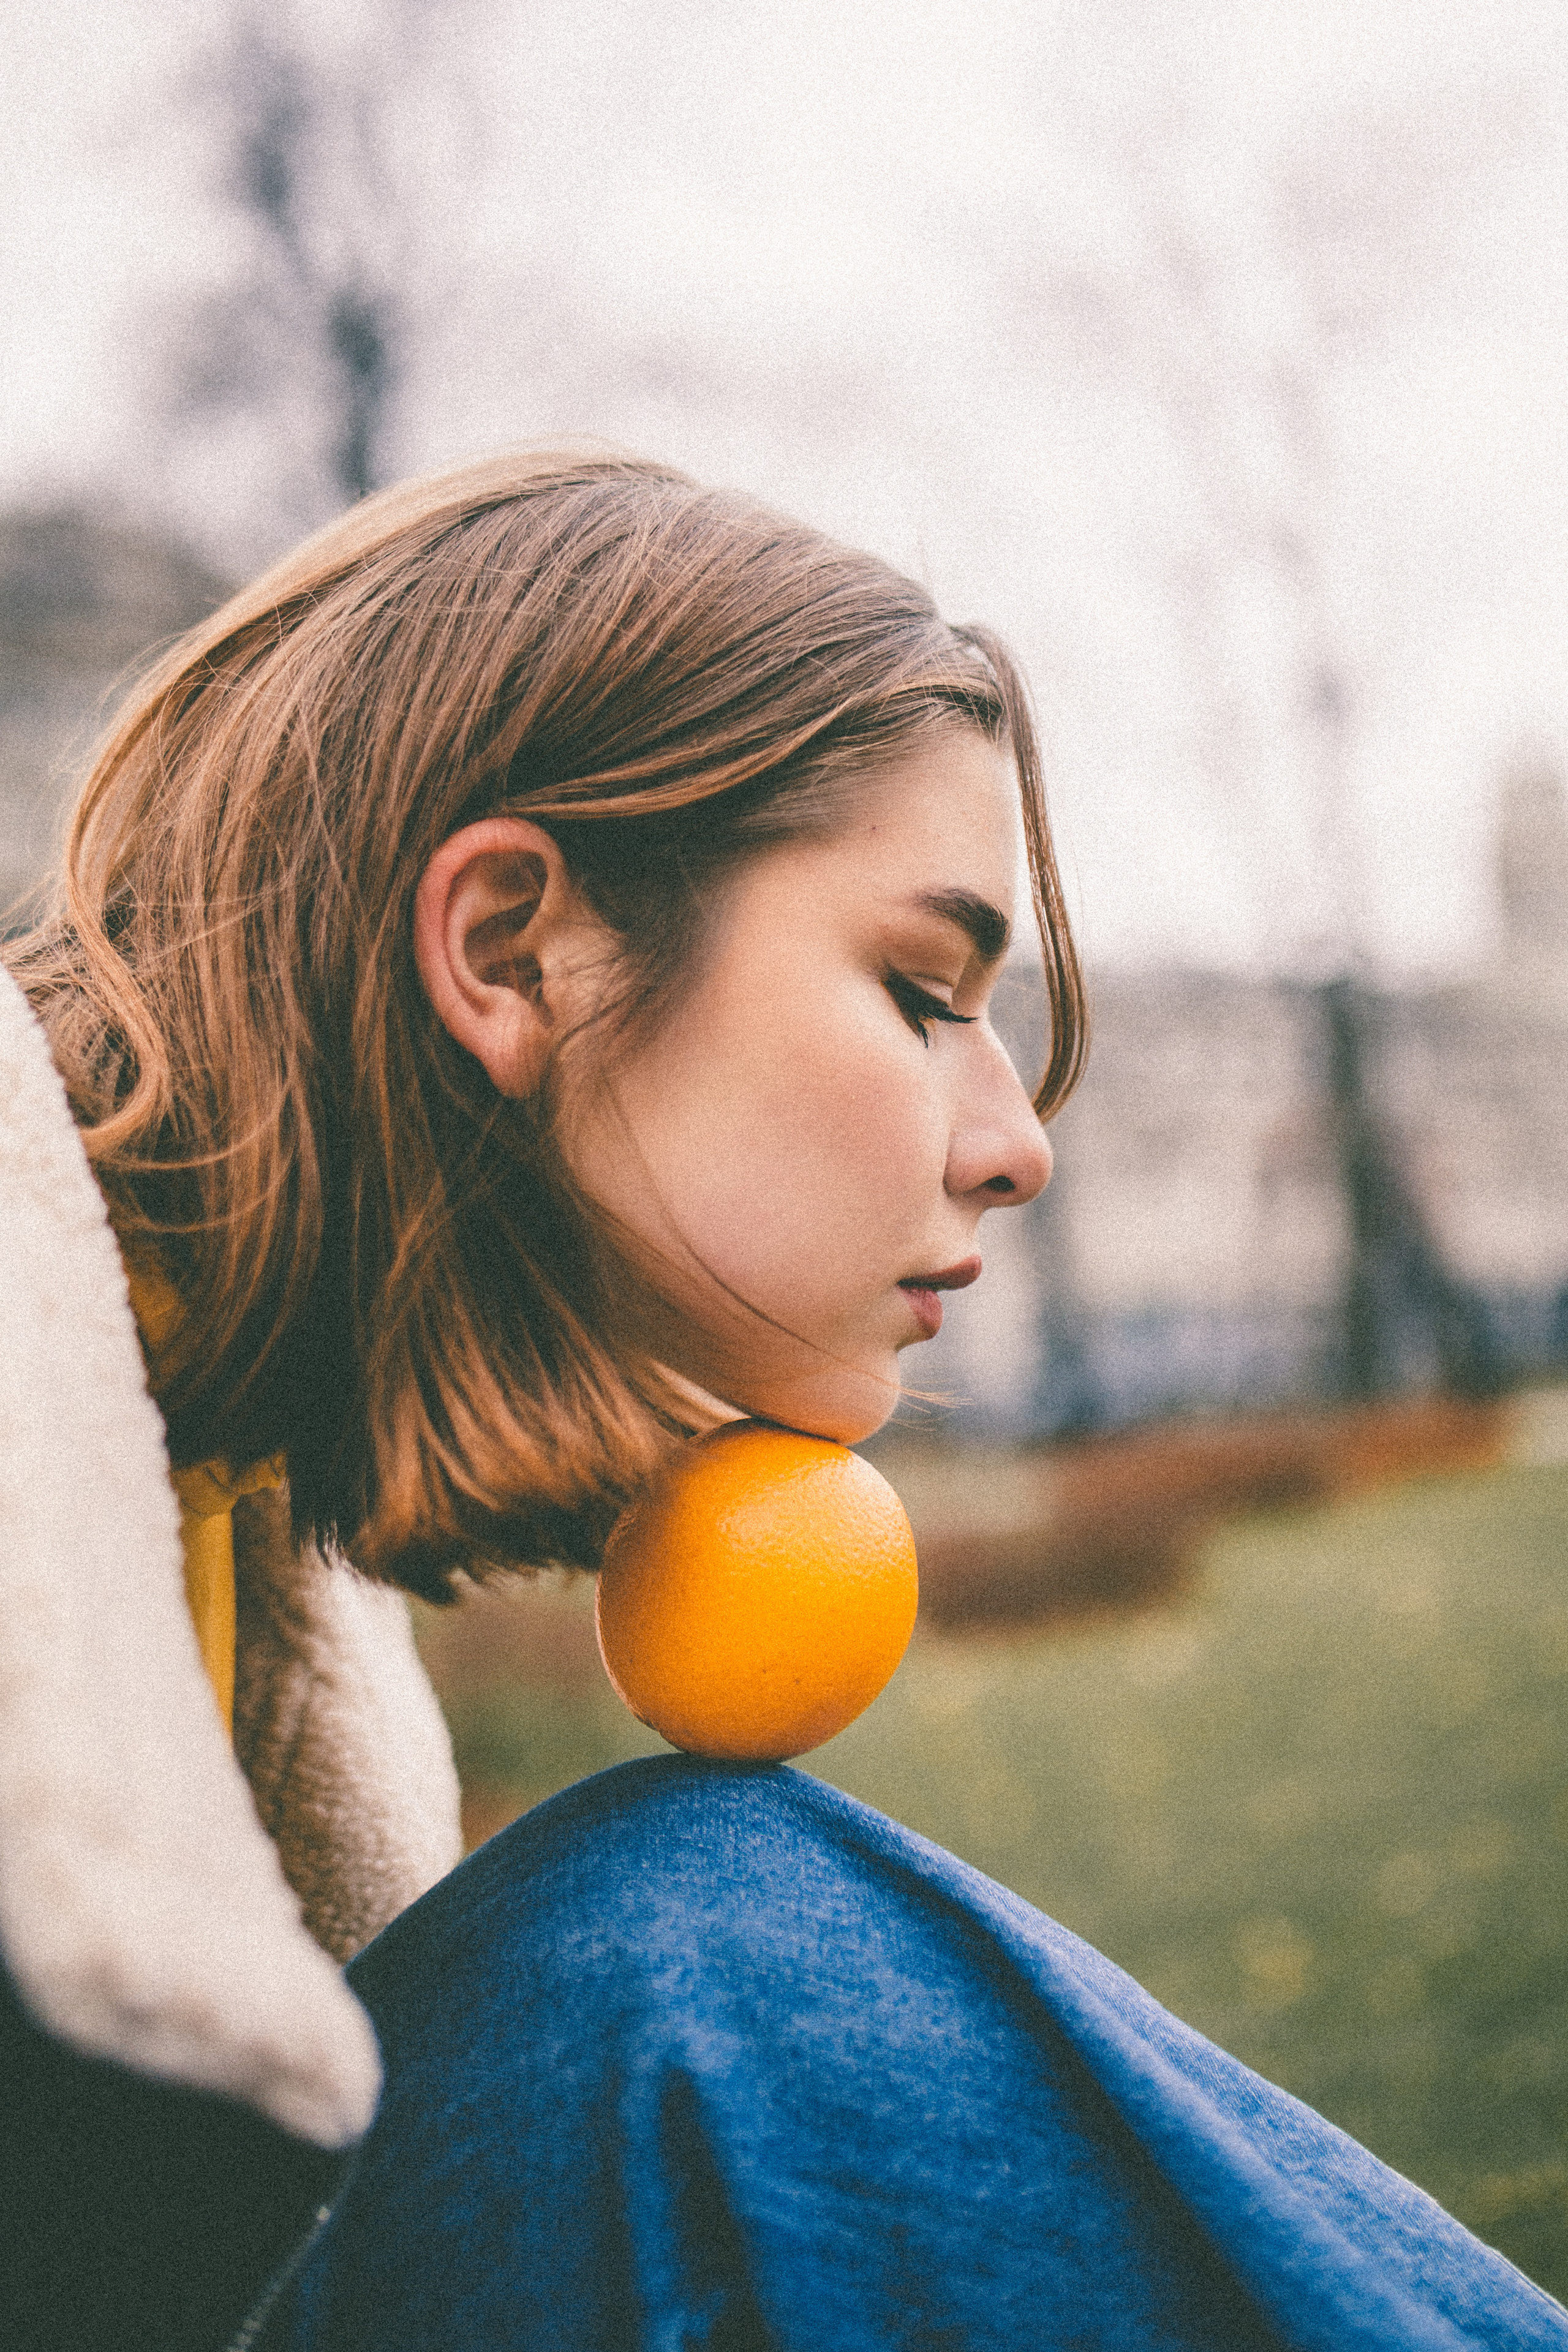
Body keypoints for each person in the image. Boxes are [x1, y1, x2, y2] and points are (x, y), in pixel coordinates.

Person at [0, 450, 1559, 2351]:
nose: (1016, 1147)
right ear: (513, 949)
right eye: (920, 990)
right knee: (687, 1931)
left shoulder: (206, 1508)